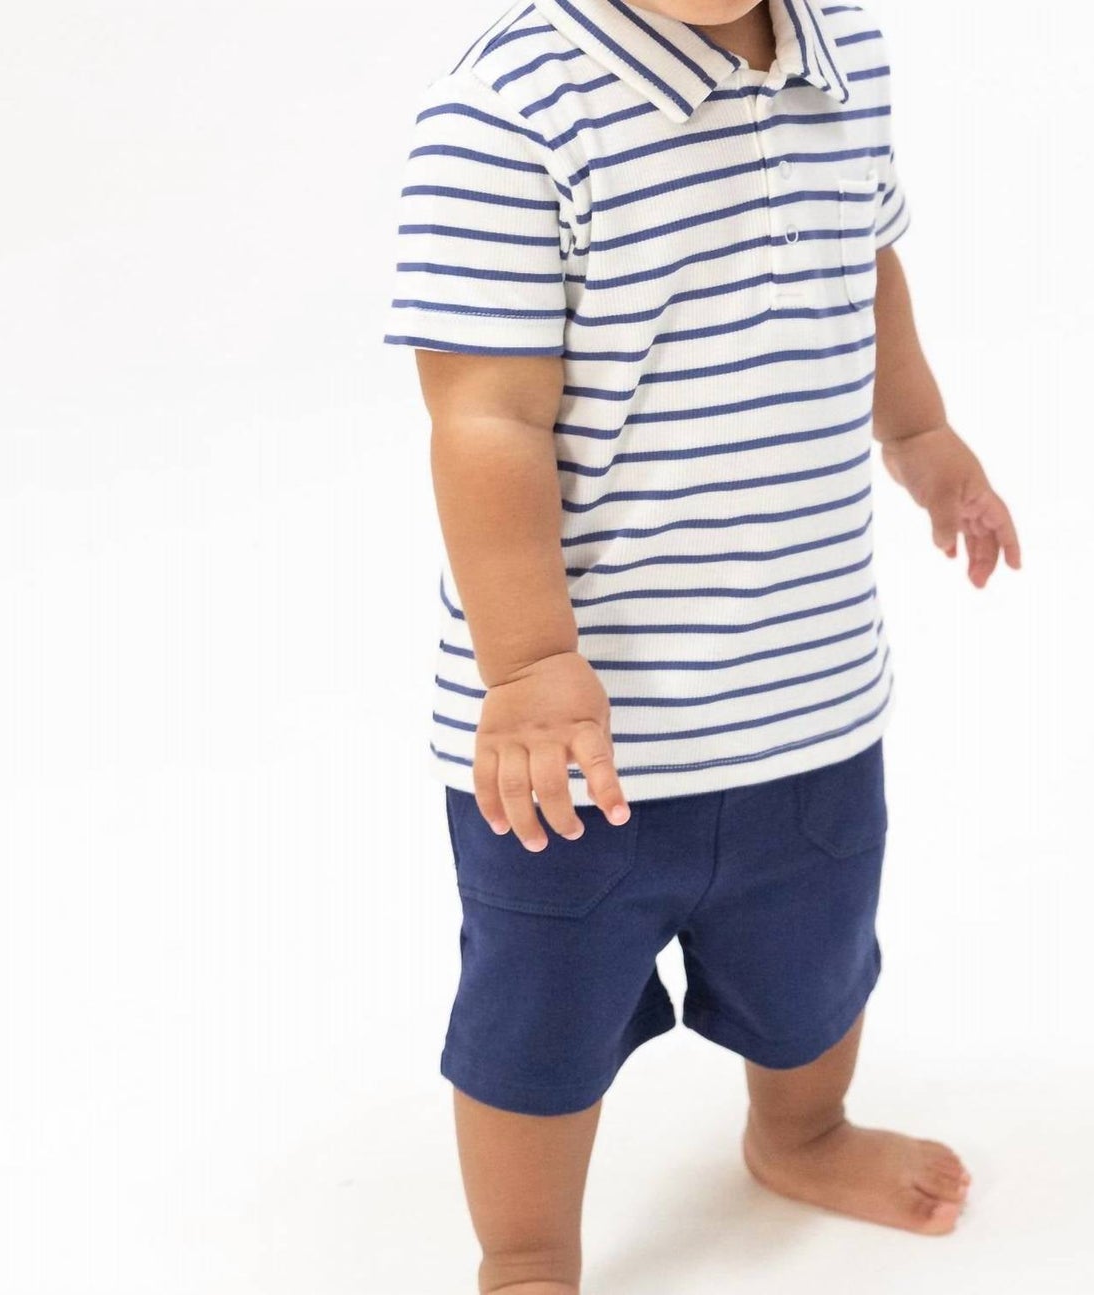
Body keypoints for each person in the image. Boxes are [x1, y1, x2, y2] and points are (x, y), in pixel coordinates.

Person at [384, 2, 1020, 1289]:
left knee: (815, 964)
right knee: (536, 1017)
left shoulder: (844, 52)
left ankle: (801, 1131)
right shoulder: (510, 112)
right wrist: (528, 663)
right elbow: (484, 413)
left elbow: (866, 266)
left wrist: (919, 434)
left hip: (805, 690)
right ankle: (525, 1251)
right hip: (573, 735)